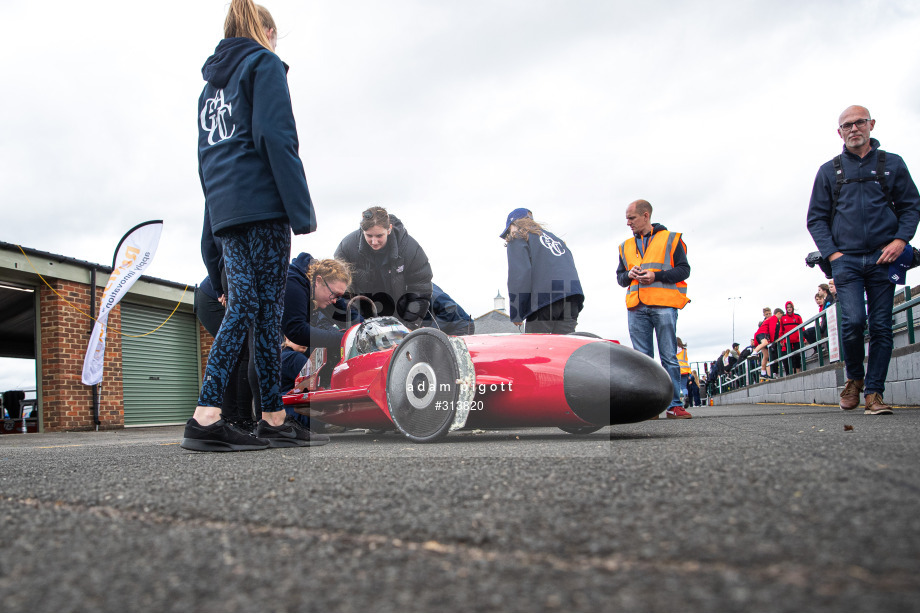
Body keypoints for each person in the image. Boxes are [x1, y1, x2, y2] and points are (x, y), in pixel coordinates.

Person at [182, 0, 328, 452]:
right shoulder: (263, 64)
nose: (275, 41)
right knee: (249, 307)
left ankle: (274, 417)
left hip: (225, 210)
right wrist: (300, 210)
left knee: (264, 315)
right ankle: (206, 416)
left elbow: (208, 163)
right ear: (263, 29)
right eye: (275, 33)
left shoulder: (210, 91)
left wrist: (212, 240)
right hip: (262, 207)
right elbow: (276, 137)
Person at [807, 105, 920, 414]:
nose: (853, 128)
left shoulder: (892, 164)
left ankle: (874, 393)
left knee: (882, 325)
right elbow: (815, 219)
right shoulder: (829, 171)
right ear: (839, 132)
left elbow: (912, 206)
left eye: (859, 123)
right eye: (847, 125)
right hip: (846, 260)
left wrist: (900, 241)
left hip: (886, 257)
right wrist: (833, 253)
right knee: (854, 321)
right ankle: (855, 377)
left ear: (871, 124)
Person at [616, 199, 691, 419]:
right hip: (636, 307)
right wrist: (628, 275)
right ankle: (649, 408)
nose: (628, 223)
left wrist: (655, 276)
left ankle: (675, 405)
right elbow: (620, 278)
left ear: (646, 215)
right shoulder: (625, 246)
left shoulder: (671, 240)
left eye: (632, 218)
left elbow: (684, 270)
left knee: (669, 356)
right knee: (642, 358)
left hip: (664, 304)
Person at [334, 206, 433, 328]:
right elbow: (341, 291)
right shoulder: (346, 249)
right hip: (361, 316)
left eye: (379, 236)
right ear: (362, 230)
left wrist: (409, 325)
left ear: (389, 229)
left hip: (399, 316)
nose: (374, 242)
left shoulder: (410, 250)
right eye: (369, 236)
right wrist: (354, 324)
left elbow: (420, 289)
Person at [501, 208, 584, 333]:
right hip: (572, 297)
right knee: (562, 349)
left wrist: (517, 311)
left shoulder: (518, 236)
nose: (508, 235)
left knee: (537, 349)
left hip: (545, 299)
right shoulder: (558, 240)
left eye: (508, 230)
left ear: (514, 224)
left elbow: (519, 275)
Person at [752, 308, 781, 380]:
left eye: (769, 314)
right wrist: (772, 341)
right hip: (763, 335)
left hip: (762, 337)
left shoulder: (770, 319)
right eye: (767, 314)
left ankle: (763, 373)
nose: (768, 315)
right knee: (765, 342)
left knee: (766, 356)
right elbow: (771, 330)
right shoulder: (771, 319)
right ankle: (754, 352)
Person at [779, 301, 804, 374]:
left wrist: (803, 338)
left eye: (790, 307)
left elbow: (802, 328)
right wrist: (781, 340)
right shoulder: (783, 318)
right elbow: (781, 330)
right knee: (790, 356)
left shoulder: (797, 316)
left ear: (792, 308)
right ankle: (793, 372)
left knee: (797, 356)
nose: (789, 309)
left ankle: (798, 371)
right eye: (787, 307)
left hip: (796, 340)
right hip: (788, 341)